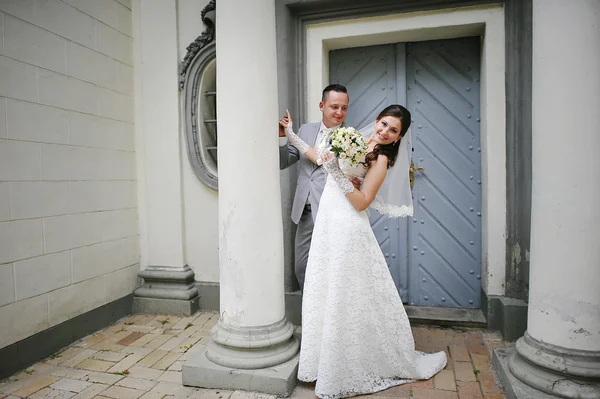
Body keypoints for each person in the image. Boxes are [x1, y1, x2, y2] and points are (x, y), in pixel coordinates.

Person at [283, 104, 447, 399]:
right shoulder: (355, 139)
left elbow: (361, 202)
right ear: (377, 120)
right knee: (324, 286)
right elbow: (318, 156)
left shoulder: (382, 159)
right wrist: (292, 135)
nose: (385, 132)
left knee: (345, 292)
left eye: (393, 130)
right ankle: (320, 362)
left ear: (399, 138)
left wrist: (335, 171)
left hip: (347, 224)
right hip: (328, 222)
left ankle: (342, 366)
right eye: (384, 124)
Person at [278, 84, 349, 291]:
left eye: (344, 108)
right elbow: (285, 161)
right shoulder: (306, 130)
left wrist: (293, 136)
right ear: (322, 105)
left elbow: (319, 159)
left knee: (329, 269)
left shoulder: (349, 138)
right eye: (334, 106)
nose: (339, 112)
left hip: (332, 212)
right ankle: (309, 315)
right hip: (305, 212)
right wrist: (284, 137)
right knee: (301, 267)